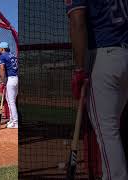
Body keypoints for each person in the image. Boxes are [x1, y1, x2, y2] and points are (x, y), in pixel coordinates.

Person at [66, 0, 128, 179]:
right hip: (124, 55)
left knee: (107, 132)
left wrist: (79, 70)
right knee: (112, 127)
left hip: (102, 57)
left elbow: (77, 22)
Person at [0, 42, 19, 129]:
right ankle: (12, 120)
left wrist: (3, 81)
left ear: (3, 49)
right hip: (17, 78)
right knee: (10, 100)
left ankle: (15, 122)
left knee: (11, 102)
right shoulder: (13, 55)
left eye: (0, 48)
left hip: (11, 79)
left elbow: (2, 69)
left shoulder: (2, 56)